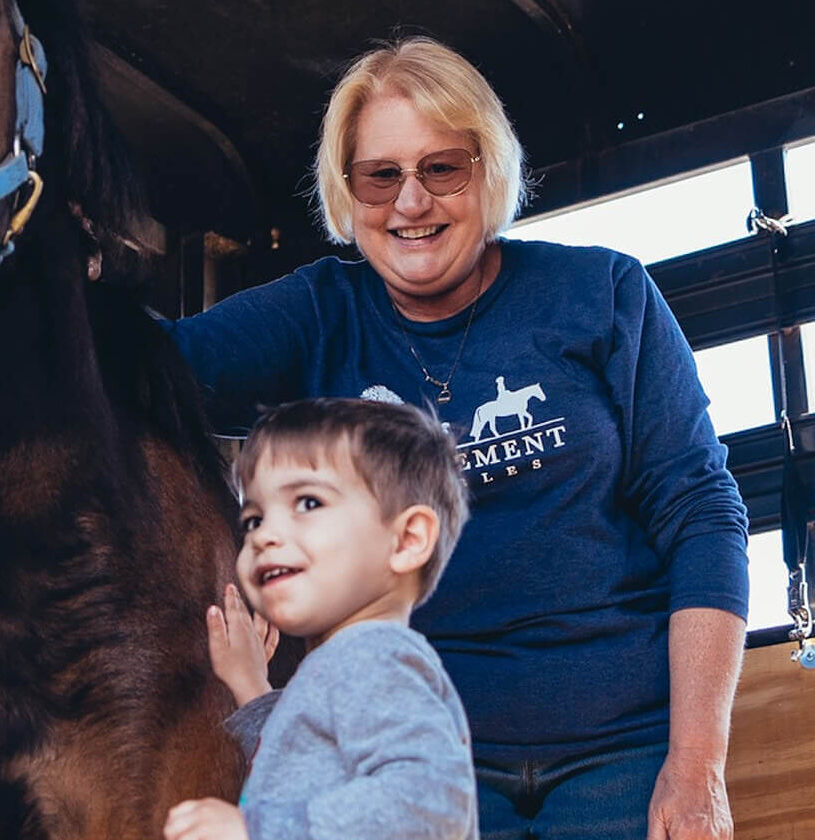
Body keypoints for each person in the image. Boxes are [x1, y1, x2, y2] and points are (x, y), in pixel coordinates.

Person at [165, 36, 748, 840]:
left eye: (443, 168)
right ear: (347, 189)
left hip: (625, 756)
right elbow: (140, 370)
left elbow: (704, 515)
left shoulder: (604, 293)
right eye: (381, 176)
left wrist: (695, 767)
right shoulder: (315, 314)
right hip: (423, 763)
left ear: (488, 171)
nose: (412, 203)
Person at [163, 397, 477, 840]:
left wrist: (257, 829)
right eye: (253, 517)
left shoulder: (372, 660)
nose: (265, 536)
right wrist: (253, 689)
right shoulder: (345, 663)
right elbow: (307, 761)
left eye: (308, 503)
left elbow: (427, 803)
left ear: (406, 540)